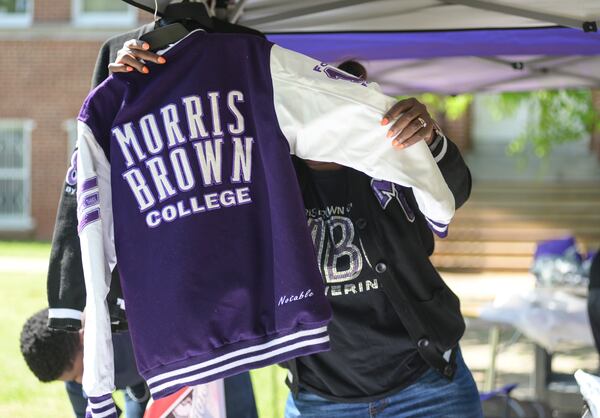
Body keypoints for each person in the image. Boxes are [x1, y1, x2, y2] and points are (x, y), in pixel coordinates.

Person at [109, 44, 481, 416]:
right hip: (320, 401)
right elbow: (188, 145)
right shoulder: (259, 175)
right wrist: (144, 81)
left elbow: (454, 191)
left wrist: (430, 141)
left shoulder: (390, 154)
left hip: (427, 387)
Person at [45, 4, 260, 417]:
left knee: (228, 396)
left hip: (226, 269)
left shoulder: (245, 47)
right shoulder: (116, 53)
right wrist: (70, 298)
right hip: (151, 279)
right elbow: (90, 170)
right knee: (152, 398)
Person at [20, 309, 149, 418]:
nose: (81, 381)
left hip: (152, 373)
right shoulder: (76, 380)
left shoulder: (127, 333)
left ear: (83, 336)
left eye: (79, 374)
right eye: (73, 379)